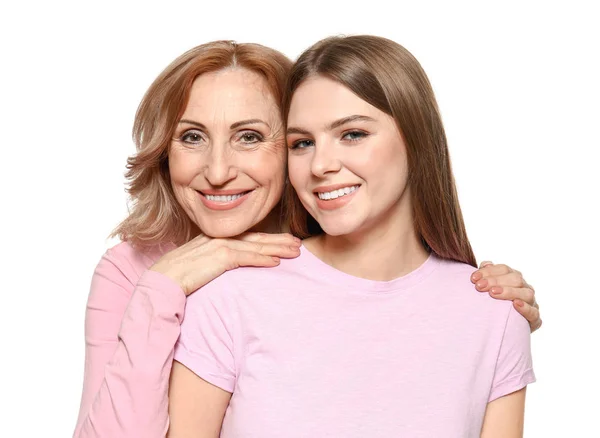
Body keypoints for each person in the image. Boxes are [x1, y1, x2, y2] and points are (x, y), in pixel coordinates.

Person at [74, 40, 540, 438]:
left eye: (250, 137)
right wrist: (160, 289)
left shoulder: (476, 307)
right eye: (192, 137)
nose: (217, 172)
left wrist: (491, 312)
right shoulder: (146, 274)